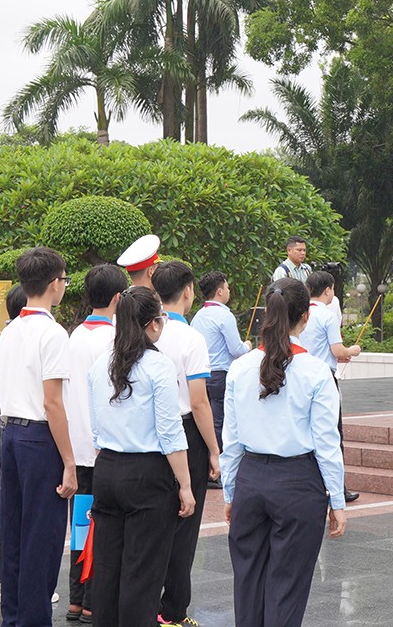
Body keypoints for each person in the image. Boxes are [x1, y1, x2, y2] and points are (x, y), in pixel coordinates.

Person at [220, 278, 346, 627]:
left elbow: (230, 439)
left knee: (247, 583)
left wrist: (231, 490)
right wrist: (337, 499)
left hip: (251, 478)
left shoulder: (240, 368)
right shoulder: (317, 372)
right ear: (305, 317)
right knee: (287, 586)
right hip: (297, 483)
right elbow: (326, 443)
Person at [83, 286, 192, 627]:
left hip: (108, 469)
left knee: (108, 570)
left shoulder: (102, 362)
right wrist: (186, 485)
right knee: (142, 574)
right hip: (147, 474)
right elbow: (170, 432)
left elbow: (97, 427)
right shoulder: (158, 365)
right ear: (154, 324)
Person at [0, 248, 77, 627]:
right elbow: (53, 403)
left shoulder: (10, 331)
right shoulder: (53, 333)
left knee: (12, 534)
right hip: (39, 440)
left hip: (9, 436)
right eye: (64, 280)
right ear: (54, 284)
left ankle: (13, 618)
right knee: (41, 540)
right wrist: (71, 462)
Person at [150, 260, 221, 627]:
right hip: (186, 434)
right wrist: (213, 449)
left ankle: (147, 606)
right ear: (188, 291)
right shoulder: (192, 339)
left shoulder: (145, 329)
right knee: (185, 525)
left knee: (153, 523)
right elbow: (198, 402)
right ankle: (173, 612)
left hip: (148, 437)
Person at [62, 265, 126, 623]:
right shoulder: (115, 339)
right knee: (103, 529)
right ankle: (92, 602)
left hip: (77, 448)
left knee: (79, 528)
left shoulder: (74, 337)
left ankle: (75, 598)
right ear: (118, 298)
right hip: (105, 449)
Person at [297, 271, 359, 504]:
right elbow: (337, 351)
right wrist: (352, 350)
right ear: (328, 290)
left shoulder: (301, 313)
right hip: (325, 379)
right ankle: (337, 488)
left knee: (308, 430)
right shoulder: (327, 316)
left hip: (301, 377)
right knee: (332, 432)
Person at [191, 271, 248, 448]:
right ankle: (220, 463)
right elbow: (236, 349)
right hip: (220, 376)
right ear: (220, 291)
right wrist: (247, 346)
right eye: (227, 287)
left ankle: (208, 459)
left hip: (200, 375)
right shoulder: (225, 316)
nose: (229, 290)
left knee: (203, 420)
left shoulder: (198, 316)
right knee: (221, 422)